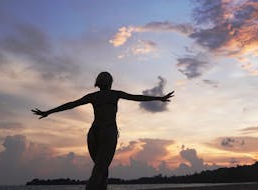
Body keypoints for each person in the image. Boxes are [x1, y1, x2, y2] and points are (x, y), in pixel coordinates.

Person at [31, 71, 174, 190]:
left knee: (102, 169)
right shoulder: (114, 94)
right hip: (108, 132)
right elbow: (137, 97)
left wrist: (48, 112)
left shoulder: (93, 96)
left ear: (98, 83)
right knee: (99, 170)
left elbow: (71, 105)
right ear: (110, 83)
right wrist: (159, 98)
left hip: (93, 134)